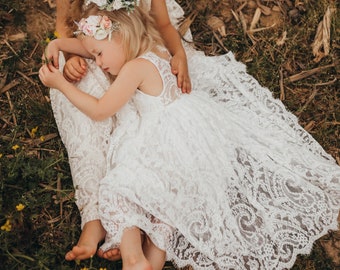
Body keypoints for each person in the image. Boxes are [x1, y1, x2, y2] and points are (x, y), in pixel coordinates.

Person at [39, 2, 340, 270]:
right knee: (167, 202)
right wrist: (60, 44)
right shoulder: (155, 49)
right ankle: (154, 259)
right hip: (197, 146)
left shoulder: (133, 69)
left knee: (121, 188)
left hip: (165, 145)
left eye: (99, 55)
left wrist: (60, 84)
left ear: (119, 37)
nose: (99, 63)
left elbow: (102, 109)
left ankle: (134, 258)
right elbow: (94, 44)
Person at [52, 0, 191, 262]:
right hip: (94, 46)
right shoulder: (103, 51)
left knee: (128, 144)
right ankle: (95, 218)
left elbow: (162, 24)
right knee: (87, 103)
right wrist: (70, 57)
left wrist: (180, 54)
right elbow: (65, 26)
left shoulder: (141, 60)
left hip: (138, 39)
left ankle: (132, 234)